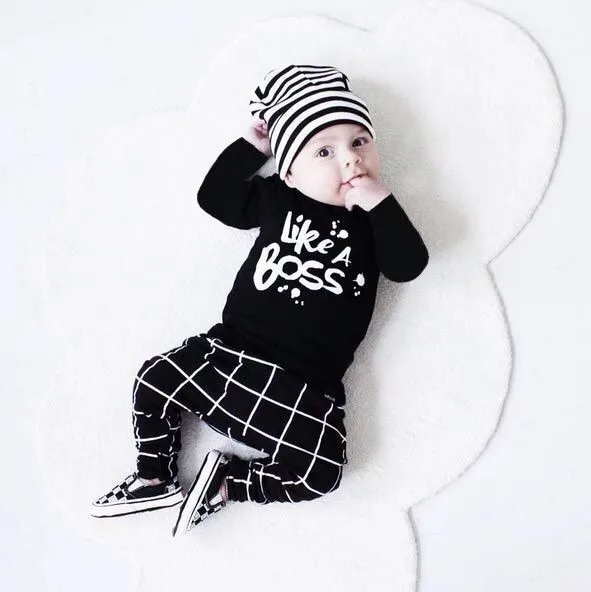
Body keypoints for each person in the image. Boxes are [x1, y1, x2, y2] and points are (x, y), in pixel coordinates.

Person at [90, 64, 429, 538]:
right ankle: (154, 475)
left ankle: (227, 484)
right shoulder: (278, 198)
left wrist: (382, 204)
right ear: (289, 171)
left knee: (321, 473)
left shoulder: (374, 223)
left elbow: (408, 265)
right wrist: (252, 148)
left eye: (359, 142)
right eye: (325, 152)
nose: (351, 160)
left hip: (305, 385)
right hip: (232, 353)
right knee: (155, 378)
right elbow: (215, 198)